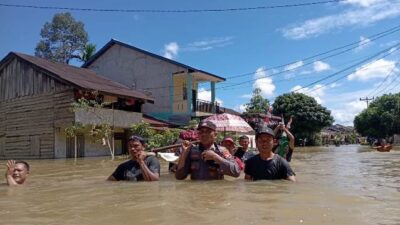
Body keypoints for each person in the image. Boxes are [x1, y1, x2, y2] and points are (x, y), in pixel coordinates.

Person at [175, 121, 241, 180]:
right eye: (201, 132)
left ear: (215, 135)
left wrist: (215, 157)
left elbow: (236, 172)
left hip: (216, 192)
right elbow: (179, 177)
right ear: (198, 135)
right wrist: (183, 154)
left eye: (208, 132)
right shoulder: (191, 151)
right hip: (195, 191)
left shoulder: (223, 151)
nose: (204, 134)